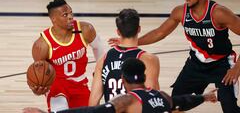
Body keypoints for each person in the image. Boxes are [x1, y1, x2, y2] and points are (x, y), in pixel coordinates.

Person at [110, 0, 240, 112]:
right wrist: (130, 41)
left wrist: (237, 68)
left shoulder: (218, 13)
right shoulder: (181, 12)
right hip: (196, 64)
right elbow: (160, 32)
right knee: (175, 103)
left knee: (230, 108)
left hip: (222, 64)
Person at [23, 58, 218, 113]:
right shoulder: (161, 97)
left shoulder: (127, 100)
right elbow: (181, 102)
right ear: (144, 76)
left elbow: (94, 111)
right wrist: (204, 97)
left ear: (123, 80)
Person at [28, 0, 104, 112]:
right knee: (61, 109)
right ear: (53, 19)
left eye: (71, 13)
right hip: (57, 85)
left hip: (80, 83)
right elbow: (39, 76)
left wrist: (100, 74)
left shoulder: (85, 30)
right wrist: (37, 89)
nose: (70, 17)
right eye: (65, 15)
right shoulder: (42, 45)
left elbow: (102, 52)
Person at [89, 8, 160, 106]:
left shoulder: (103, 59)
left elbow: (93, 102)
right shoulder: (148, 59)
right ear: (139, 29)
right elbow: (152, 100)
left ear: (118, 32)